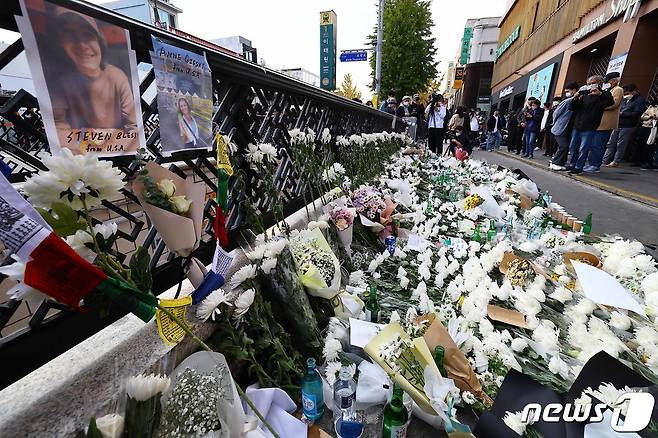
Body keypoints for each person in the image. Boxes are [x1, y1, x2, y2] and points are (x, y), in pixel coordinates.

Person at [51, 7, 139, 152]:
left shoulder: (117, 76)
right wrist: (95, 139)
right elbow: (57, 129)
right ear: (62, 45)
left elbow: (134, 129)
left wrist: (95, 140)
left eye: (87, 35)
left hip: (117, 159)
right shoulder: (61, 84)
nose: (81, 45)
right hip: (79, 163)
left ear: (99, 42)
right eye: (69, 36)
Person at [567, 76, 615, 174]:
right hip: (577, 125)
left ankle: (579, 167)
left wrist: (600, 94)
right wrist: (575, 98)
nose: (590, 85)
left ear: (599, 83)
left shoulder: (604, 94)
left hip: (590, 126)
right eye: (588, 83)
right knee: (573, 147)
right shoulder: (584, 93)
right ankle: (572, 164)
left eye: (593, 83)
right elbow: (573, 108)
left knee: (583, 148)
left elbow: (610, 102)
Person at [582, 72, 624, 172]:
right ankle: (592, 164)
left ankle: (595, 165)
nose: (607, 83)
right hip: (597, 121)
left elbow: (614, 104)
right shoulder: (607, 90)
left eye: (609, 81)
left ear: (614, 80)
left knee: (598, 145)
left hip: (605, 122)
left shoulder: (618, 90)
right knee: (593, 145)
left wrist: (597, 106)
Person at [602, 84, 646, 167]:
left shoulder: (639, 100)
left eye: (627, 93)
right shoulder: (624, 99)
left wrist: (623, 114)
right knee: (611, 142)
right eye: (624, 93)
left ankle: (616, 161)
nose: (625, 95)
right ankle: (605, 160)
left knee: (621, 144)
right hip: (618, 123)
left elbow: (637, 113)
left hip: (628, 125)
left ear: (634, 91)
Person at [549, 82, 579, 170]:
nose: (567, 93)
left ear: (574, 90)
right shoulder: (567, 101)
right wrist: (555, 123)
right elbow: (556, 113)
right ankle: (555, 163)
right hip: (560, 127)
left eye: (568, 91)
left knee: (566, 146)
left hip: (568, 128)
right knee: (564, 146)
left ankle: (561, 163)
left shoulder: (576, 100)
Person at [632, 97, 658, 169]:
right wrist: (649, 117)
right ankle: (637, 160)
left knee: (650, 145)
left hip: (653, 128)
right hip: (645, 126)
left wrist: (655, 117)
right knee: (640, 143)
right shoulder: (651, 106)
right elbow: (643, 116)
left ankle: (647, 162)